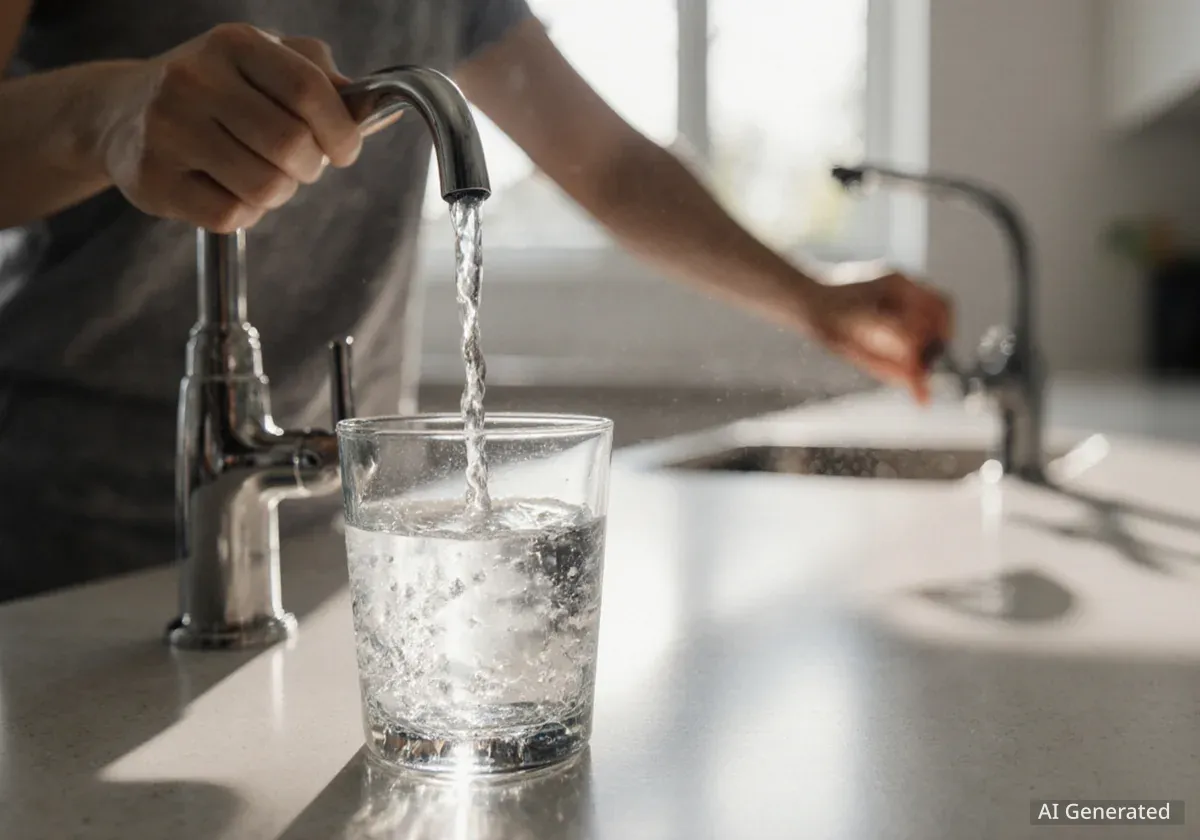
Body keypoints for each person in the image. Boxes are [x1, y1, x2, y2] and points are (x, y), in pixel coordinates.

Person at [0, 1, 951, 602]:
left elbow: (608, 162)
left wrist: (810, 298)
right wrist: (108, 113)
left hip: (337, 529)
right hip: (59, 529)